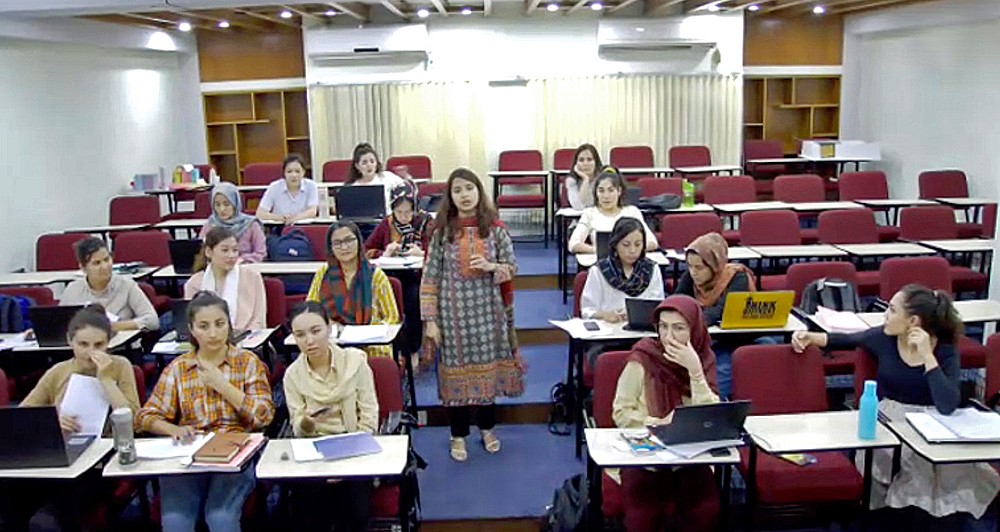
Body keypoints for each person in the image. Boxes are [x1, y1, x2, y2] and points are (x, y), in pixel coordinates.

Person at [792, 284, 999, 530]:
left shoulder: (944, 349)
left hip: (933, 421)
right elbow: (846, 339)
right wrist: (809, 337)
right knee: (909, 469)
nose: (885, 316)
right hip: (890, 420)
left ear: (913, 321)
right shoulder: (884, 337)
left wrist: (927, 357)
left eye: (891, 310)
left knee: (948, 471)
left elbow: (947, 403)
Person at [136, 292, 275, 532]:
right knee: (176, 521)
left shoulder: (247, 362)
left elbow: (264, 415)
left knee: (219, 517)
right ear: (192, 329)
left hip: (233, 455)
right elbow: (145, 417)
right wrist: (173, 429)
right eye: (204, 326)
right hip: (189, 456)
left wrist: (223, 385)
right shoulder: (179, 368)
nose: (213, 333)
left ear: (229, 325)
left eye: (220, 324)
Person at [0, 306, 141, 532]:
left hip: (100, 463)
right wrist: (53, 420)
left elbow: (132, 419)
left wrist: (105, 380)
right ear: (70, 341)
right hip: (58, 456)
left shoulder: (121, 367)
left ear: (109, 344)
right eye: (83, 345)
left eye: (99, 345)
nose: (90, 352)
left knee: (49, 520)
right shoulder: (59, 371)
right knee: (10, 501)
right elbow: (23, 417)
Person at [420, 168, 524, 462]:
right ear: (450, 197)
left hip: (489, 317)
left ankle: (488, 428)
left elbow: (512, 268)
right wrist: (430, 321)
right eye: (457, 190)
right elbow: (429, 278)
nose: (464, 195)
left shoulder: (496, 229)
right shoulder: (441, 233)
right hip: (452, 321)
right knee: (455, 380)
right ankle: (458, 434)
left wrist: (492, 266)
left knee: (488, 375)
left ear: (479, 191)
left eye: (469, 188)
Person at [612, 295, 720, 532]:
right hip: (645, 459)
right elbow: (621, 412)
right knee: (642, 517)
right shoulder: (642, 358)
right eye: (663, 327)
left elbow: (711, 416)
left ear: (695, 330)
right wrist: (658, 423)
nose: (669, 336)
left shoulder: (704, 360)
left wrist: (695, 372)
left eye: (679, 328)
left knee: (705, 511)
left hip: (690, 457)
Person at [282, 302, 377, 531]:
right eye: (300, 335)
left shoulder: (356, 362)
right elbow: (298, 428)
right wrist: (307, 422)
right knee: (309, 512)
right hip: (315, 453)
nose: (309, 341)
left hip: (355, 446)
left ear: (329, 328)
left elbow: (369, 416)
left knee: (355, 512)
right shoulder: (292, 375)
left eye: (316, 331)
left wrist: (349, 459)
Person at [673, 232, 761, 399]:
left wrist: (691, 320)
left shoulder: (737, 277)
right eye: (690, 266)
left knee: (722, 370)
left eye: (699, 268)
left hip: (732, 341)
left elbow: (722, 310)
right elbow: (676, 305)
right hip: (702, 341)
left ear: (714, 265)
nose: (693, 272)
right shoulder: (690, 277)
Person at [580, 217, 665, 370]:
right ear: (615, 245)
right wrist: (604, 315)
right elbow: (587, 310)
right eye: (626, 245)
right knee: (608, 361)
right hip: (606, 340)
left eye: (638, 245)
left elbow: (658, 307)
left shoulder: (652, 270)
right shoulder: (599, 271)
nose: (632, 250)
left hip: (643, 338)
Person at [307, 221, 400, 358]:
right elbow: (311, 310)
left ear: (359, 242)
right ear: (330, 247)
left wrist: (370, 332)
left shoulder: (376, 276)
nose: (344, 247)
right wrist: (326, 324)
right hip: (333, 343)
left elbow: (392, 317)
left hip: (370, 344)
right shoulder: (323, 274)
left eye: (349, 240)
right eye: (337, 243)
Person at [61, 237, 159, 332]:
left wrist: (114, 326)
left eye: (106, 259)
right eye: (97, 263)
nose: (104, 266)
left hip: (123, 346)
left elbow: (152, 321)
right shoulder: (72, 290)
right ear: (83, 268)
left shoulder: (127, 285)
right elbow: (62, 325)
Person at [184, 227, 267, 331]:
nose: (231, 255)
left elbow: (259, 320)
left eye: (235, 250)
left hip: (247, 339)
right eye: (225, 250)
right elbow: (191, 323)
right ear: (209, 252)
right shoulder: (194, 283)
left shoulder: (253, 278)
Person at [567, 167, 657, 254]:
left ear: (619, 191)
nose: (606, 196)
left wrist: (628, 252)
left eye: (611, 190)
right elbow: (573, 244)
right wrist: (600, 250)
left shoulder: (632, 212)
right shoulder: (590, 213)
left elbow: (652, 243)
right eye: (601, 191)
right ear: (596, 193)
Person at [199, 182, 266, 263]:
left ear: (235, 204)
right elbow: (203, 251)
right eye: (217, 205)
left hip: (246, 268)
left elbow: (261, 253)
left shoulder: (251, 225)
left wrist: (243, 260)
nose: (222, 209)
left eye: (226, 204)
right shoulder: (210, 225)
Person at [364, 181, 433, 259]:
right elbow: (365, 251)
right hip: (392, 269)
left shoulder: (426, 222)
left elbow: (440, 252)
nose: (403, 217)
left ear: (414, 209)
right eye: (399, 212)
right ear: (393, 210)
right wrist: (384, 253)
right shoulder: (387, 223)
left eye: (407, 212)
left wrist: (422, 253)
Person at [255, 153, 319, 225]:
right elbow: (260, 214)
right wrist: (280, 218)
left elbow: (312, 212)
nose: (294, 175)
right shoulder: (274, 187)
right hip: (279, 228)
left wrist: (293, 219)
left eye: (297, 171)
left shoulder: (311, 186)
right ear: (284, 173)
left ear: (303, 172)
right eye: (289, 171)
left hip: (304, 227)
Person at [344, 142, 406, 214]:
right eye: (364, 162)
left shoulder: (387, 177)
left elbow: (405, 187)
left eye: (372, 161)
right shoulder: (351, 186)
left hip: (385, 221)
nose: (369, 165)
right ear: (357, 166)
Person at [564, 143, 602, 210]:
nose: (585, 164)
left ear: (596, 162)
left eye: (589, 159)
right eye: (581, 160)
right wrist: (585, 179)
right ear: (576, 164)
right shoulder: (572, 181)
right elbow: (578, 207)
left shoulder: (604, 179)